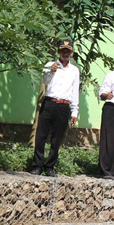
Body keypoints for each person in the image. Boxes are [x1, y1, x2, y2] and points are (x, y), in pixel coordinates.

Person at [31, 39, 80, 177]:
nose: (65, 53)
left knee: (57, 138)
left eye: (68, 51)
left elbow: (75, 91)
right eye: (62, 50)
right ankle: (37, 166)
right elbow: (45, 81)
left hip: (64, 106)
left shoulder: (75, 71)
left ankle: (50, 166)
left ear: (72, 53)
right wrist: (50, 71)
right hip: (49, 103)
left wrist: (75, 110)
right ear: (58, 52)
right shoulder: (49, 65)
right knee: (41, 135)